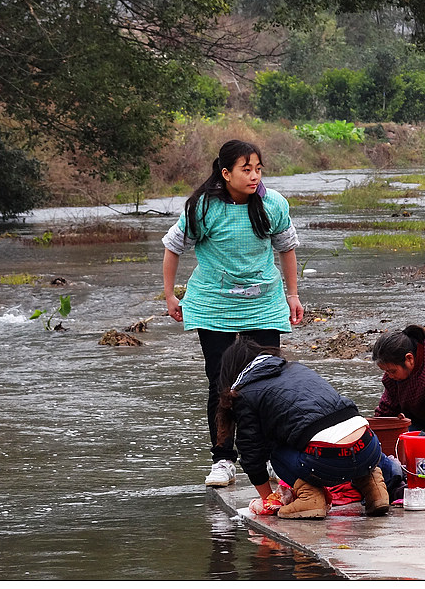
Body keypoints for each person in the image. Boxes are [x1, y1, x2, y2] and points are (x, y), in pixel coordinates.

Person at [162, 140, 304, 488]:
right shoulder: (203, 208)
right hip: (214, 306)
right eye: (246, 169)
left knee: (268, 379)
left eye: (258, 169)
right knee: (221, 382)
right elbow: (172, 247)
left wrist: (293, 295)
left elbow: (287, 249)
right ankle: (223, 459)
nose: (254, 176)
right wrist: (169, 295)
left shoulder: (273, 204)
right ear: (225, 173)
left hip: (263, 303)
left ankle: (273, 456)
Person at [216, 336, 389, 519]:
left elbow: (250, 453)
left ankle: (310, 498)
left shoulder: (246, 393)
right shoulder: (297, 368)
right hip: (369, 448)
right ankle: (375, 490)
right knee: (333, 438)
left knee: (277, 452)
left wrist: (269, 499)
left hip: (327, 459)